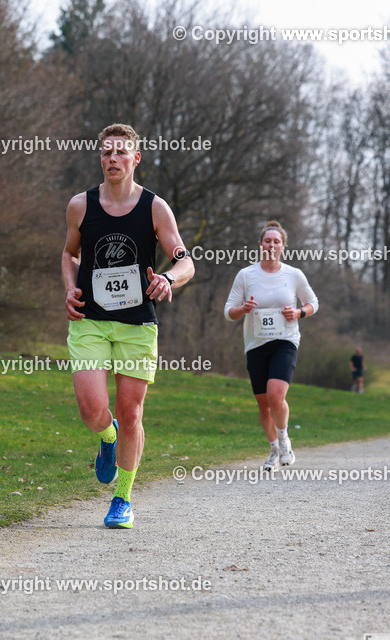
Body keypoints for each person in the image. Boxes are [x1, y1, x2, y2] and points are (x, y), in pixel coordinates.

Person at [61, 123, 194, 529]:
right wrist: (69, 288)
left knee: (131, 413)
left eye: (121, 152)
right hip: (91, 321)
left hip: (137, 323)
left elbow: (186, 260)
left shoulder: (155, 208)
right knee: (91, 409)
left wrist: (168, 278)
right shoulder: (80, 206)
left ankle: (123, 499)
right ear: (100, 159)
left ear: (135, 159)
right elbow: (69, 254)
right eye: (106, 153)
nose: (112, 159)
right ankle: (106, 437)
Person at [224, 221, 319, 470]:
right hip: (255, 344)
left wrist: (298, 312)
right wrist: (242, 309)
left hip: (285, 341)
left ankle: (285, 439)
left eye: (276, 242)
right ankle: (274, 450)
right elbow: (228, 312)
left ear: (283, 247)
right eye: (268, 241)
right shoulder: (246, 275)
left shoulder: (293, 274)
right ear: (260, 244)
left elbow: (313, 302)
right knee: (264, 405)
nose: (271, 245)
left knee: (276, 395)